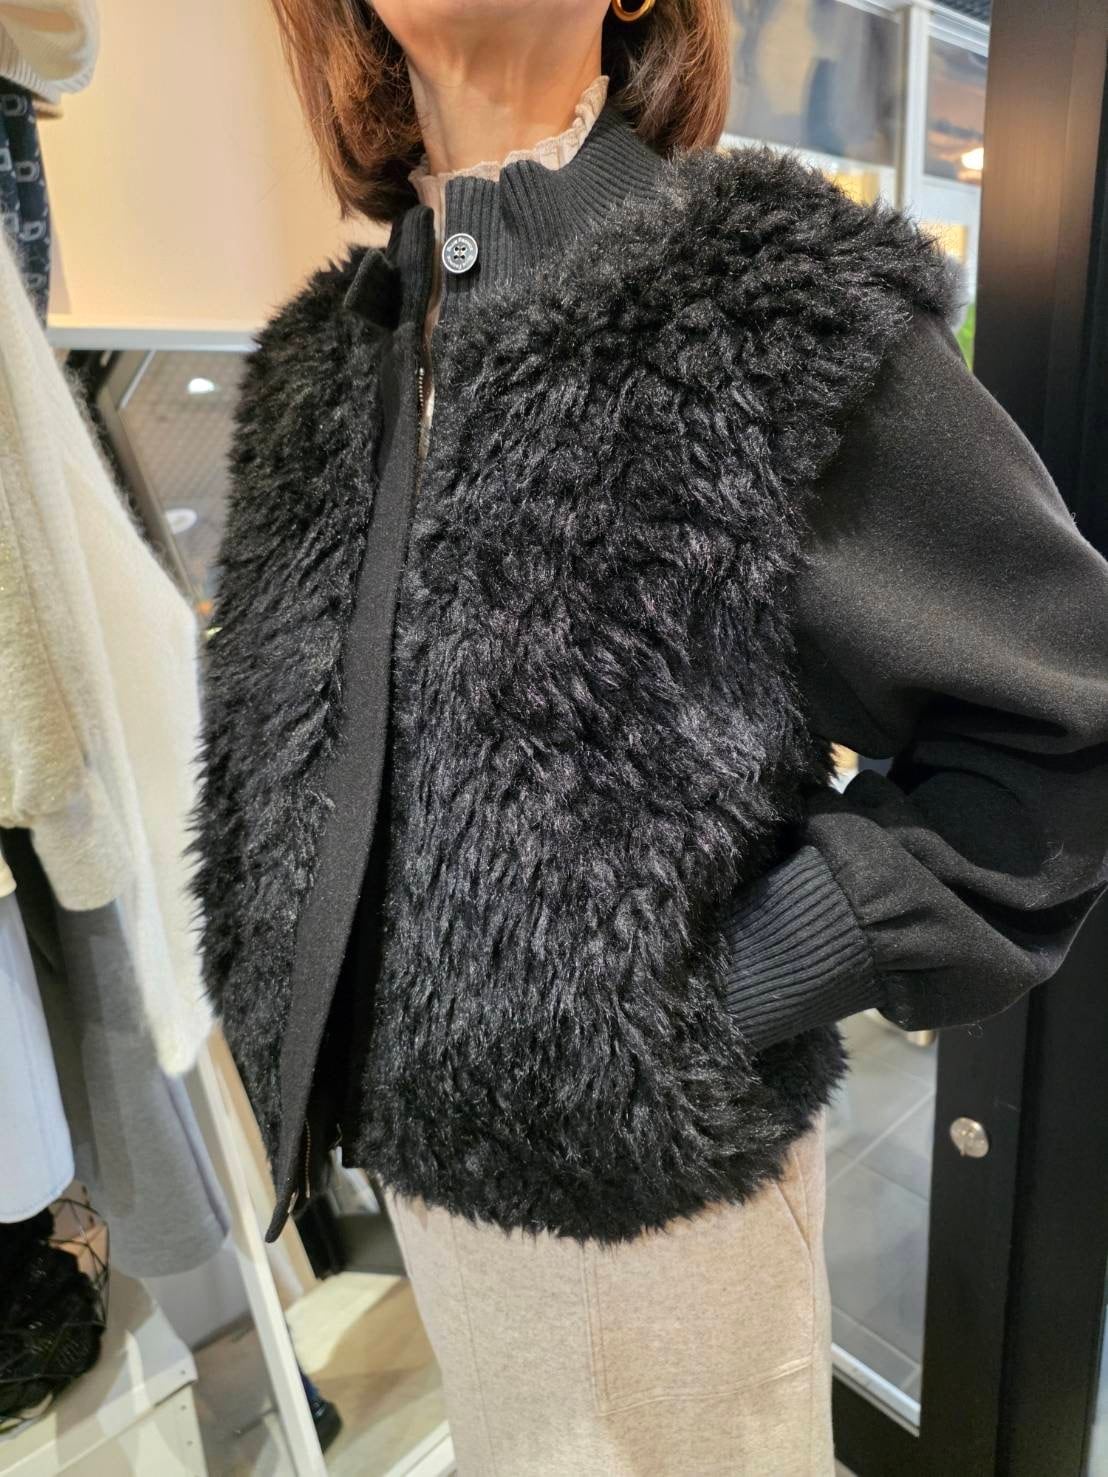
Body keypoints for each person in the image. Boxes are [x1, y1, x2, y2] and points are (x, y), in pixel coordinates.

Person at [186, 2, 1108, 1471]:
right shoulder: (332, 359)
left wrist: (709, 997)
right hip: (434, 1197)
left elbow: (1064, 719)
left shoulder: (757, 307)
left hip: (659, 1232)